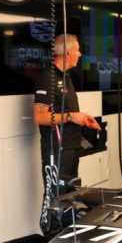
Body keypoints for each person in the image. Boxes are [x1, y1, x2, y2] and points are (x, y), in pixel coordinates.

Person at [34, 33, 100, 184]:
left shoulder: (66, 76)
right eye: (78, 50)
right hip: (57, 152)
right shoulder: (48, 78)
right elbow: (40, 117)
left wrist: (82, 119)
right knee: (55, 195)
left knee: (71, 194)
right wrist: (71, 117)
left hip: (71, 149)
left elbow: (65, 110)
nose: (80, 54)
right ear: (68, 52)